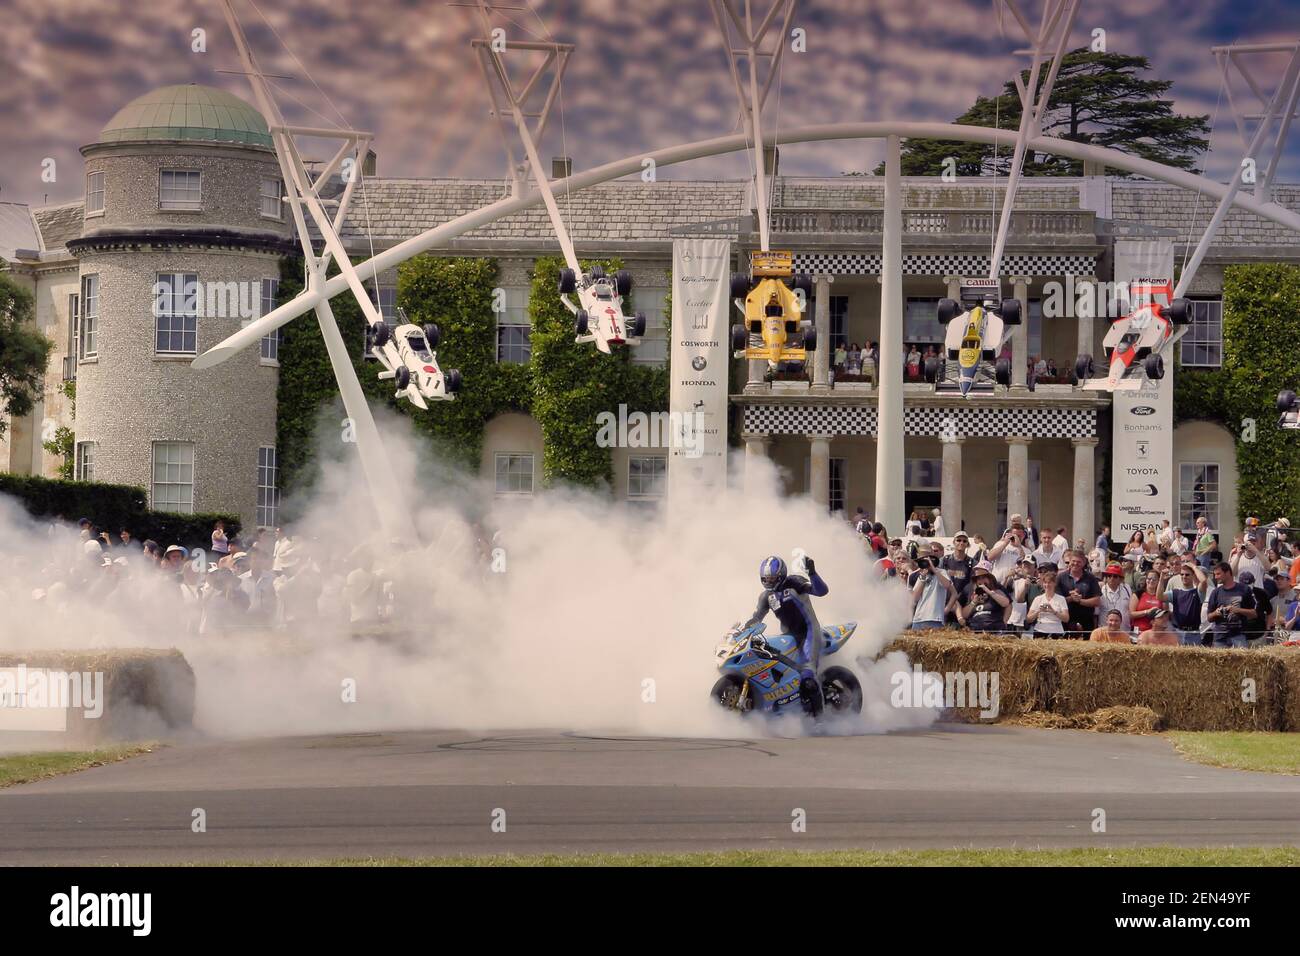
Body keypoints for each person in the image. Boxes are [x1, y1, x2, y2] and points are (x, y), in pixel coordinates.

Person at [742, 555, 830, 715]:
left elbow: (821, 591)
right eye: (765, 579)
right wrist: (744, 629)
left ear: (781, 575)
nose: (769, 582)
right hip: (789, 637)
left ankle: (819, 720)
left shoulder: (794, 582)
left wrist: (813, 573)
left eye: (772, 578)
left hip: (809, 633)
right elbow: (757, 618)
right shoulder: (765, 597)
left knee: (808, 679)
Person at [1205, 561, 1257, 649]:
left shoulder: (1244, 589)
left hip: (1239, 635)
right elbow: (1209, 617)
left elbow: (1254, 614)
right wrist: (1216, 613)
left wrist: (1237, 610)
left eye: (1218, 574)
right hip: (1220, 637)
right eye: (1215, 574)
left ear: (1228, 573)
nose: (1216, 577)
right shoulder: (1215, 592)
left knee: (1242, 661)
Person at [956, 562, 1009, 632]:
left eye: (984, 577)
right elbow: (961, 609)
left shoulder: (997, 588)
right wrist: (973, 602)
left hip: (994, 629)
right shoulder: (969, 588)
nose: (981, 581)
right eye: (978, 578)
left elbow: (1007, 603)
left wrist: (990, 592)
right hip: (974, 629)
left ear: (990, 578)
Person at [1057, 552, 1101, 636]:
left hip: (1086, 621)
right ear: (1069, 561)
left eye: (1079, 562)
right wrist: (1071, 598)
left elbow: (1097, 601)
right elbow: (1056, 601)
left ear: (1084, 563)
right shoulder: (1060, 577)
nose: (1075, 564)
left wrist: (1080, 601)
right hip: (1066, 620)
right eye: (1073, 561)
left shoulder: (1091, 578)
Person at [1165, 560, 1209, 646]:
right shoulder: (1176, 592)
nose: (1184, 577)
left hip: (1193, 633)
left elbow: (1203, 581)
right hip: (1178, 631)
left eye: (1187, 574)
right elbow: (1159, 597)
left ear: (1193, 576)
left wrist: (1194, 567)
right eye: (1182, 574)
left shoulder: (1198, 592)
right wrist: (1161, 579)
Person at [909, 553, 957, 630]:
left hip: (935, 619)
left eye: (927, 561)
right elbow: (915, 598)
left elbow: (947, 585)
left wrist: (934, 569)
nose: (925, 564)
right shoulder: (921, 575)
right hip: (918, 618)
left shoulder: (942, 572)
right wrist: (922, 578)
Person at [1026, 564, 1069, 637]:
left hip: (1057, 631)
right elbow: (1028, 619)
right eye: (1045, 583)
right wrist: (1039, 611)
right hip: (1040, 630)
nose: (1047, 585)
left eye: (1049, 582)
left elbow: (1066, 618)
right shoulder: (1038, 599)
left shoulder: (1061, 599)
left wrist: (1053, 611)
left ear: (1054, 584)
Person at [1097, 562, 1133, 631]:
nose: (1112, 578)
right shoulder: (1101, 589)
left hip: (1124, 630)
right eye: (1109, 576)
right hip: (1105, 630)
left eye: (1115, 576)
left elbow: (1130, 609)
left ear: (1120, 578)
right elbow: (1096, 613)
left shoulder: (1127, 588)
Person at [1130, 569, 1166, 635]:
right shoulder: (1138, 594)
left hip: (1155, 632)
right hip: (1139, 630)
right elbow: (1131, 614)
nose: (1151, 581)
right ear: (1146, 580)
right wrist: (1147, 612)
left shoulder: (1161, 596)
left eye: (1154, 579)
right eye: (1149, 579)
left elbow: (1166, 615)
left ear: (1158, 581)